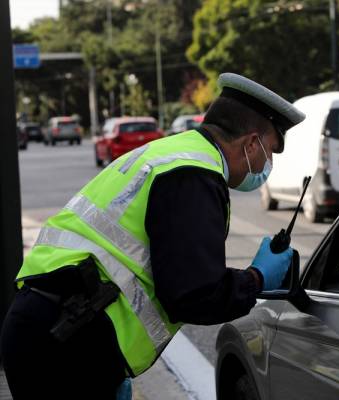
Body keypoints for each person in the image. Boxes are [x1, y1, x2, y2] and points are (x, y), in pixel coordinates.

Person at [0, 73, 306, 399]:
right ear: (250, 143)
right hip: (66, 347)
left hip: (56, 331)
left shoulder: (172, 154)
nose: (267, 164)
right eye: (270, 151)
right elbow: (195, 294)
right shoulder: (194, 175)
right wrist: (257, 279)